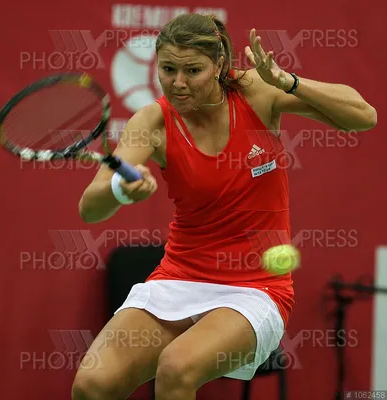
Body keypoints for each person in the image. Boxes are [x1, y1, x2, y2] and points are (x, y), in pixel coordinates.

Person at [73, 13, 377, 400]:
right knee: (92, 385)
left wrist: (290, 83)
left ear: (219, 65)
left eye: (192, 70)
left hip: (256, 290)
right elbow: (90, 208)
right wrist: (119, 189)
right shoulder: (152, 121)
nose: (178, 83)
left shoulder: (256, 91)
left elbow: (364, 117)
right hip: (178, 279)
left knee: (177, 368)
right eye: (168, 69)